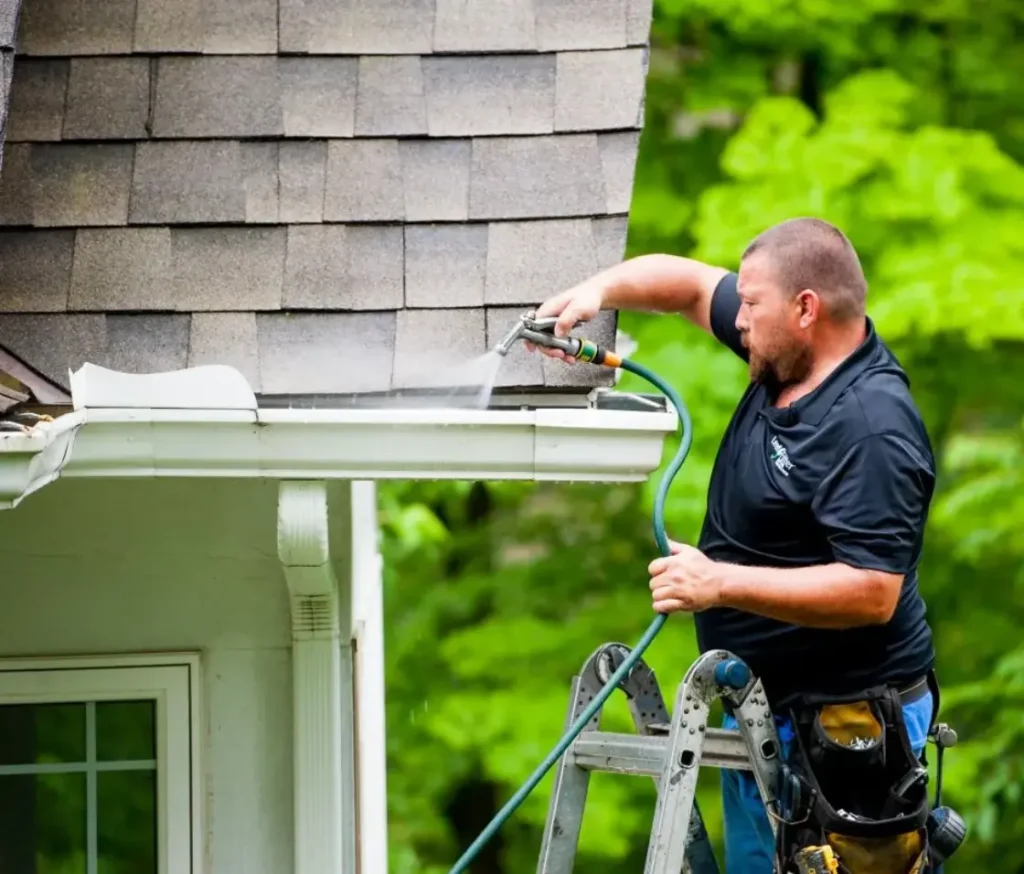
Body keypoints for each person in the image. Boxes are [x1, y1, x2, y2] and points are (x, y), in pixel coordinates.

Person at [529, 217, 938, 874]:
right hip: (760, 712)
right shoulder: (786, 355)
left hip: (847, 730)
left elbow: (873, 590)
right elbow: (688, 286)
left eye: (751, 305)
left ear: (806, 308)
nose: (737, 319)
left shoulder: (870, 429)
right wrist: (595, 294)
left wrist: (718, 584)